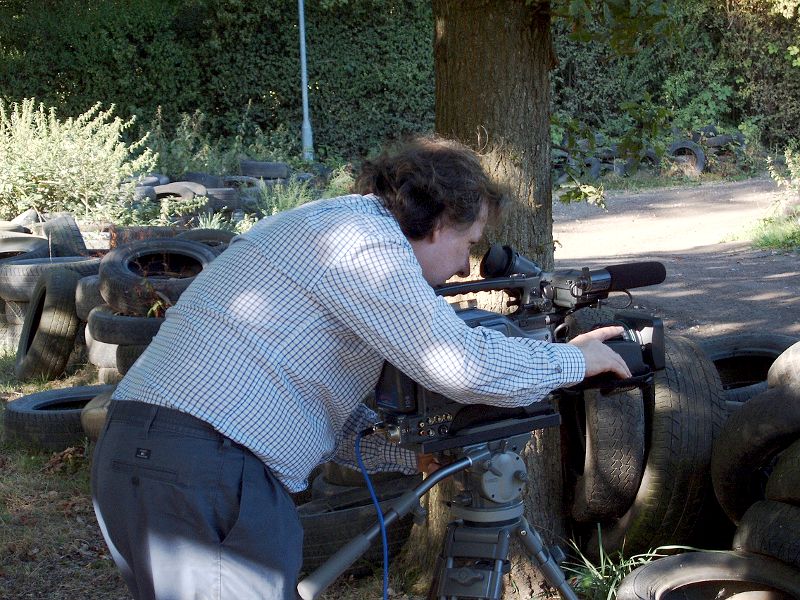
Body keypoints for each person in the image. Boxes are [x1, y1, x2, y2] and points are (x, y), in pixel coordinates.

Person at [91, 135, 631, 600]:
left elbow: (321, 409)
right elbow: (460, 365)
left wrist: (408, 451)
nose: (465, 266)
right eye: (469, 244)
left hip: (156, 455)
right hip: (205, 467)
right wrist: (573, 360)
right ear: (442, 220)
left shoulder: (325, 227)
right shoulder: (363, 241)